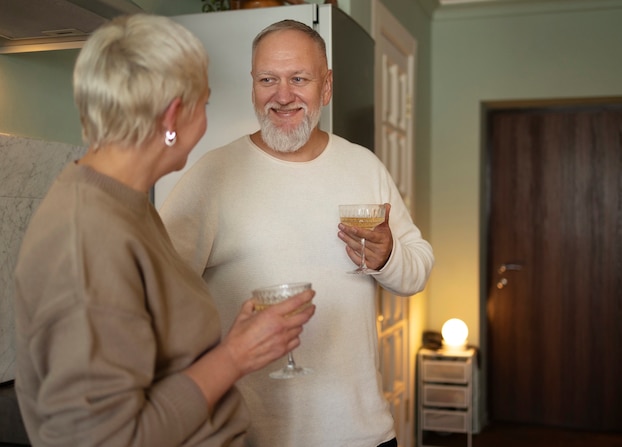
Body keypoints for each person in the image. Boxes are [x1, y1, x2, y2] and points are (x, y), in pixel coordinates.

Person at [13, 14, 315, 447]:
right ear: (173, 116)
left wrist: (236, 342)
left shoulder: (125, 203)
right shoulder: (88, 239)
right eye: (204, 105)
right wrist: (234, 358)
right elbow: (102, 439)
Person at [159, 19, 434, 447]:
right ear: (253, 87)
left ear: (326, 87)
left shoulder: (363, 166)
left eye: (299, 79)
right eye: (268, 79)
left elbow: (416, 271)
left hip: (362, 433)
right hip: (253, 436)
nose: (282, 96)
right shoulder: (214, 175)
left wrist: (388, 255)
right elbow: (159, 291)